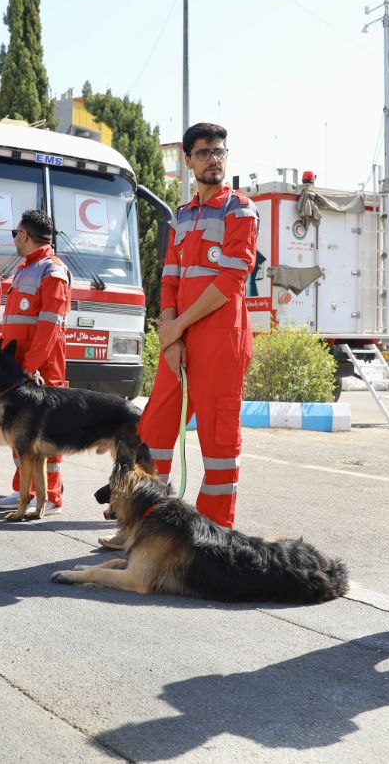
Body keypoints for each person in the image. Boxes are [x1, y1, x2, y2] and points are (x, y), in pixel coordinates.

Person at [130, 122, 258, 541]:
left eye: (219, 151)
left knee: (219, 443)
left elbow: (231, 281)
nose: (213, 159)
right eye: (203, 152)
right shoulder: (181, 217)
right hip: (180, 340)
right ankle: (146, 525)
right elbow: (168, 280)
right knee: (153, 433)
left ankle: (213, 534)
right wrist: (171, 331)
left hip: (222, 340)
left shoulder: (240, 210)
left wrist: (175, 329)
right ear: (188, 161)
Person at [0, 209, 71, 515]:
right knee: (19, 431)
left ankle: (49, 495)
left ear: (24, 235)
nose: (14, 239)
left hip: (40, 369)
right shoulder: (27, 269)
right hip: (18, 369)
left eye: (15, 234)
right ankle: (23, 489)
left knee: (46, 435)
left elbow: (50, 325)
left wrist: (31, 365)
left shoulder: (52, 271)